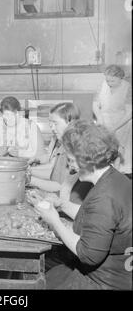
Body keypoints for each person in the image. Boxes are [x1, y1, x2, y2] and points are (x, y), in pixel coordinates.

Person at [35, 120, 132, 290]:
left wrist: (55, 221)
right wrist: (62, 205)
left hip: (105, 282)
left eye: (72, 160)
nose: (69, 166)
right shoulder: (114, 178)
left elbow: (88, 254)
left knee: (43, 281)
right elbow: (100, 218)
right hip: (117, 272)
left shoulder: (105, 197)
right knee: (50, 274)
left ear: (88, 161)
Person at [28, 102, 82, 194]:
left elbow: (59, 186)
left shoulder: (74, 147)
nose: (51, 127)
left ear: (70, 121)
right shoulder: (63, 145)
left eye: (55, 123)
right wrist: (28, 171)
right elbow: (54, 174)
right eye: (50, 123)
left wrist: (29, 179)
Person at [93, 64, 132, 178]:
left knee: (119, 150)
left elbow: (129, 113)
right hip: (104, 119)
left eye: (113, 81)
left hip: (122, 122)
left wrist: (115, 128)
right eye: (107, 80)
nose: (109, 83)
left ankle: (119, 174)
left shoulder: (127, 88)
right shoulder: (103, 84)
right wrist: (99, 117)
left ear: (120, 78)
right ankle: (106, 172)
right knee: (104, 147)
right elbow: (95, 104)